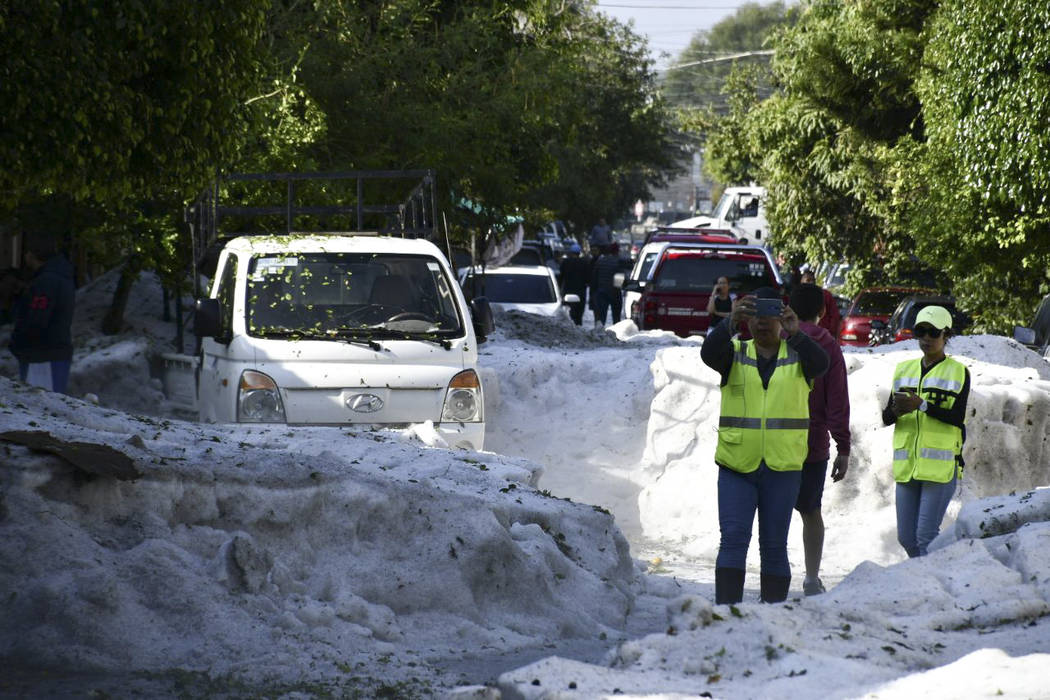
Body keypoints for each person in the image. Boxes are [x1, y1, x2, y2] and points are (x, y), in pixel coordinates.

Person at [701, 287, 829, 604]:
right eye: (755, 315)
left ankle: (771, 619)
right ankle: (727, 617)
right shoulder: (734, 352)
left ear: (781, 318)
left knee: (774, 545)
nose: (762, 323)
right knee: (733, 540)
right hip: (736, 465)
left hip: (782, 467)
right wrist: (729, 321)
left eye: (769, 315)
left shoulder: (798, 355)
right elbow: (707, 352)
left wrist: (796, 332)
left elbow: (822, 362)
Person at [881, 305, 969, 557]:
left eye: (934, 333)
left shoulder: (958, 372)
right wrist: (898, 411)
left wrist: (923, 405)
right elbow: (887, 417)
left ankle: (933, 584)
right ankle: (925, 578)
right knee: (906, 537)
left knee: (925, 535)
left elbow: (957, 417)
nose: (927, 339)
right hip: (908, 464)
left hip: (940, 468)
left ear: (946, 335)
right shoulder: (903, 369)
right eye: (921, 332)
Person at [789, 283, 851, 596]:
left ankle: (773, 576)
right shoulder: (827, 344)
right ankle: (811, 579)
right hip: (812, 444)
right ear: (823, 311)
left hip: (773, 441)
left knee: (774, 511)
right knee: (810, 511)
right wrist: (843, 446)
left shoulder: (776, 338)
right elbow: (837, 400)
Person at [9, 237, 76, 393]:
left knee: (41, 405)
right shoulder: (60, 276)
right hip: (51, 351)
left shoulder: (46, 281)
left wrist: (19, 342)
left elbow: (37, 317)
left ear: (32, 255)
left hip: (41, 354)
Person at [800, 268, 842, 339]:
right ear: (801, 281)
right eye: (808, 280)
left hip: (823, 335)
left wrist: (830, 332)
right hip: (804, 335)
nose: (811, 283)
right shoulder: (797, 297)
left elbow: (834, 315)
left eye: (813, 280)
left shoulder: (825, 295)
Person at [590, 244, 624, 327]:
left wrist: (593, 293)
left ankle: (600, 336)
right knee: (616, 319)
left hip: (601, 292)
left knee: (601, 318)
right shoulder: (618, 262)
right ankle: (617, 335)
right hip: (615, 292)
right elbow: (620, 279)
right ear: (617, 251)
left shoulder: (600, 261)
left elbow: (594, 278)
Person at [558, 253, 591, 326]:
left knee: (568, 312)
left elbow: (561, 277)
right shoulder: (584, 263)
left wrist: (560, 289)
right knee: (578, 314)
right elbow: (588, 278)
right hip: (580, 292)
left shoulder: (566, 262)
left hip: (568, 291)